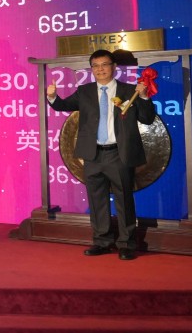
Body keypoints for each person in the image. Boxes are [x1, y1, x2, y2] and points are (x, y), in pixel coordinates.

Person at [46, 49, 154, 260]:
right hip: (93, 155)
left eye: (104, 65)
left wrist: (142, 97)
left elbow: (147, 119)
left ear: (113, 67)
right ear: (92, 69)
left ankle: (126, 244)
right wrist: (52, 97)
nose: (100, 69)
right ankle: (102, 241)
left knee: (124, 200)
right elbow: (63, 105)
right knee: (97, 201)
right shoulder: (84, 91)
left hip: (119, 154)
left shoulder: (129, 90)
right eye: (95, 66)